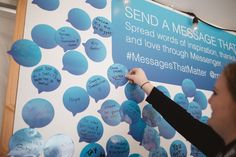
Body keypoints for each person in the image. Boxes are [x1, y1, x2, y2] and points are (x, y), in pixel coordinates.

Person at [126, 62, 236, 157]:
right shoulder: (220, 145)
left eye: (216, 93)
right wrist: (145, 84)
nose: (210, 100)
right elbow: (185, 123)